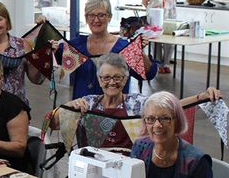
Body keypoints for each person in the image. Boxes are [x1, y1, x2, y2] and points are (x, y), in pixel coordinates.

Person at [53, 53, 221, 150]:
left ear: (126, 79)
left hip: (128, 169)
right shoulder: (87, 103)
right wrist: (68, 108)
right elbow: (52, 124)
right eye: (106, 77)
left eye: (117, 77)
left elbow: (171, 106)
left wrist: (201, 97)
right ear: (99, 79)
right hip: (91, 168)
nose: (112, 82)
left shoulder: (137, 103)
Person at [61, 0, 157, 99]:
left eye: (101, 15)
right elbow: (52, 56)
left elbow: (149, 74)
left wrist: (139, 51)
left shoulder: (123, 47)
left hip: (114, 108)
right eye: (91, 15)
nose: (96, 20)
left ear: (110, 17)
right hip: (82, 106)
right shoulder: (76, 45)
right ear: (86, 18)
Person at [141, 0, 180, 73]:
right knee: (156, 42)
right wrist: (152, 11)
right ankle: (158, 64)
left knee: (169, 42)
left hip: (170, 19)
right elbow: (144, 1)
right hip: (155, 19)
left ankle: (166, 64)